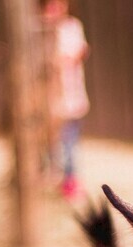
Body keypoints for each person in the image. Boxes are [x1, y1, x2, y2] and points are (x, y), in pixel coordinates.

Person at [41, 0, 90, 199]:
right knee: (49, 141)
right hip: (48, 100)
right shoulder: (40, 30)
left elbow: (80, 51)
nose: (56, 9)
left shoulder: (72, 26)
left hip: (70, 96)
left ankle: (69, 180)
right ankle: (53, 175)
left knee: (69, 141)